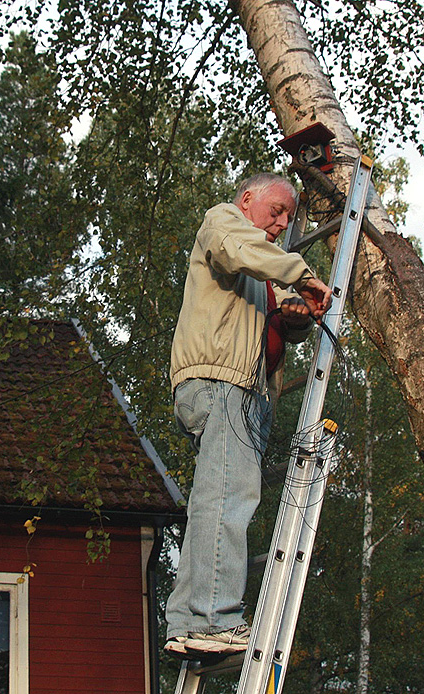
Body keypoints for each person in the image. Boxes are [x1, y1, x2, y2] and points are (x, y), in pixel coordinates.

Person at [164, 173, 332, 657]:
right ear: (246, 199)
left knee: (213, 498)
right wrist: (302, 272)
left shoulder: (260, 270)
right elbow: (240, 250)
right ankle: (215, 618)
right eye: (276, 210)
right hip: (222, 384)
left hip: (239, 388)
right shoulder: (224, 223)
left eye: (288, 217)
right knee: (228, 497)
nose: (282, 223)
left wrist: (295, 316)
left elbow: (278, 325)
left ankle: (188, 621)